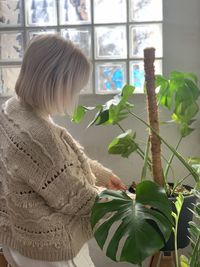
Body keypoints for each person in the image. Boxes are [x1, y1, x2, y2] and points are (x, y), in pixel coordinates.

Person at [0, 34, 126, 267]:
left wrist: (103, 175)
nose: (74, 96)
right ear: (53, 84)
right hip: (50, 249)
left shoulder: (11, 109)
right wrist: (129, 201)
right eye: (73, 88)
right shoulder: (40, 137)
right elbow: (79, 199)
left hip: (19, 240)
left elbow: (54, 169)